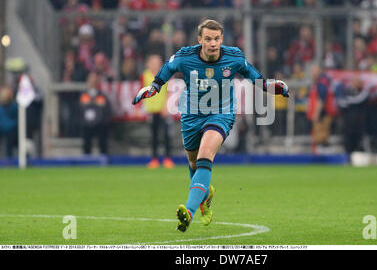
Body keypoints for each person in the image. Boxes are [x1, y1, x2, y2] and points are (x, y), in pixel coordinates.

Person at [132, 19, 289, 232]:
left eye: (216, 39)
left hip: (221, 114)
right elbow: (167, 70)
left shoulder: (234, 56)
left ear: (221, 39)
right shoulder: (185, 56)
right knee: (194, 164)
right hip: (191, 115)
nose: (213, 43)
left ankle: (188, 211)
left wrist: (271, 87)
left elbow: (256, 78)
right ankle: (206, 196)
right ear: (200, 40)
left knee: (205, 155)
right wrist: (154, 87)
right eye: (208, 39)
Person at [142, 54, 175, 169]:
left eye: (157, 62)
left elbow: (169, 91)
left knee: (166, 135)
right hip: (152, 111)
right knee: (153, 136)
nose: (155, 64)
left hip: (163, 110)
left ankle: (167, 158)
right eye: (153, 62)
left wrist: (166, 106)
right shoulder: (145, 75)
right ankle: (154, 159)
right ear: (148, 63)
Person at [79, 72, 112, 155]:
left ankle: (103, 162)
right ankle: (86, 162)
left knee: (103, 144)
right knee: (86, 145)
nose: (93, 82)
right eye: (91, 80)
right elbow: (79, 110)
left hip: (100, 124)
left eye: (95, 80)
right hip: (86, 125)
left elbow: (107, 110)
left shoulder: (102, 96)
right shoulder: (83, 95)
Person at [0, 86, 18, 158]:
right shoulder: (13, 107)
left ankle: (9, 161)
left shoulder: (13, 107)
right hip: (7, 128)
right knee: (8, 148)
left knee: (9, 147)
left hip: (9, 129)